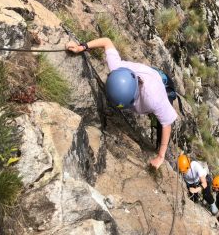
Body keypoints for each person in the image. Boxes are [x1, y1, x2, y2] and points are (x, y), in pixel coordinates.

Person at [66, 38, 177, 169]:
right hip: (148, 75)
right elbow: (107, 42)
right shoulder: (117, 69)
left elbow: (167, 124)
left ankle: (158, 149)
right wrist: (81, 47)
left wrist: (160, 157)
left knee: (159, 122)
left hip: (163, 83)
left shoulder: (154, 99)